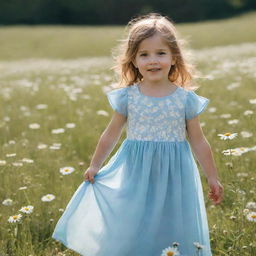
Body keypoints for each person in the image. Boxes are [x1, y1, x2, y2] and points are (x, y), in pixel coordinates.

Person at [52, 12, 224, 256]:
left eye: (160, 53)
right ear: (133, 60)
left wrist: (212, 177)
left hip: (175, 172)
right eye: (144, 54)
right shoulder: (128, 96)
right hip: (135, 169)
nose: (152, 60)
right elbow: (110, 134)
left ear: (174, 57)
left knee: (172, 219)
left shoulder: (185, 100)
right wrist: (94, 166)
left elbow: (198, 140)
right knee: (132, 217)